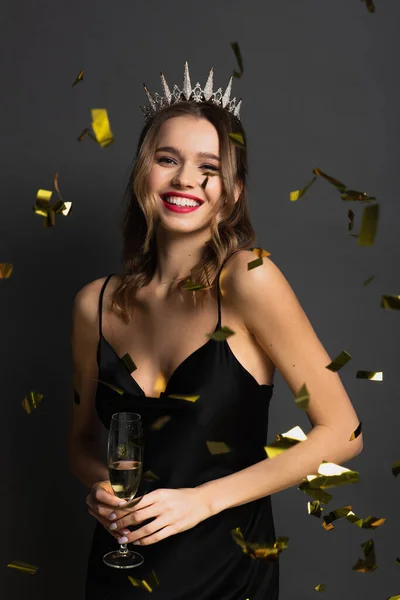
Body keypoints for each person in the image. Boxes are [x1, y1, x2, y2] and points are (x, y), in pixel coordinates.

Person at [68, 62, 362, 600]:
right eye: (167, 160)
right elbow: (82, 442)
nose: (185, 180)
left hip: (227, 573)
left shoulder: (250, 279)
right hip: (119, 570)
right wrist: (99, 485)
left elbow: (343, 431)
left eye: (209, 167)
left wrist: (203, 500)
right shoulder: (96, 303)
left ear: (232, 192)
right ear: (142, 174)